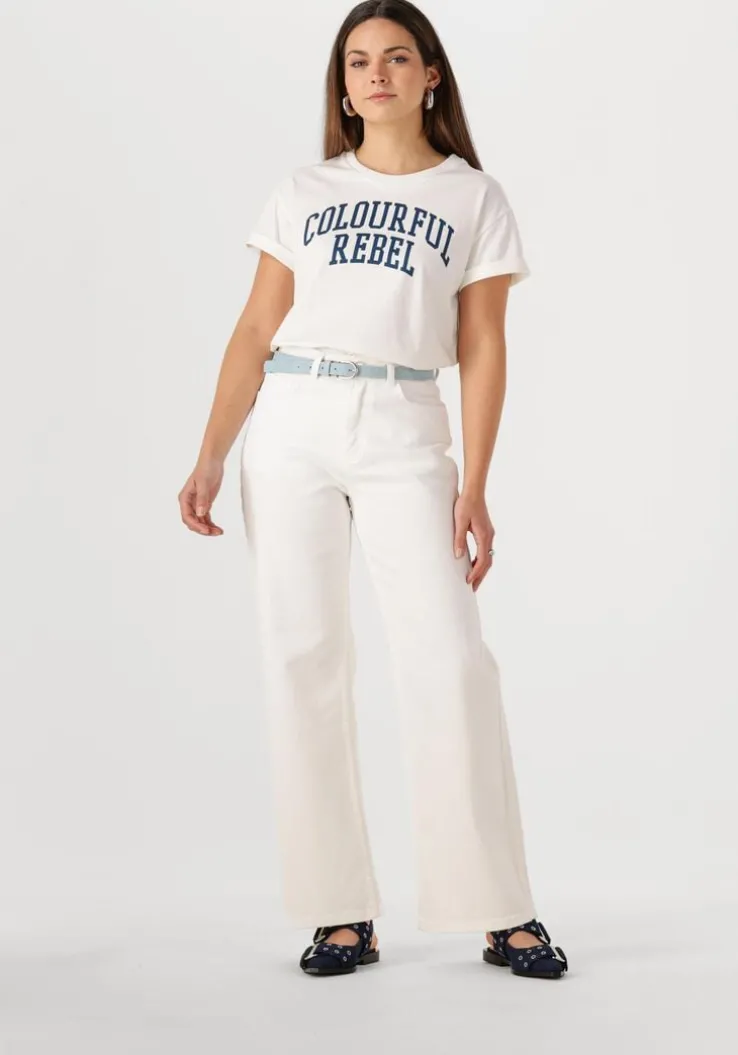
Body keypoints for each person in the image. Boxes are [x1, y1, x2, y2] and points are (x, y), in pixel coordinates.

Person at [178, 0, 568, 980]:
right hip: (292, 422)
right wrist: (213, 451)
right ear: (343, 86)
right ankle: (338, 910)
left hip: (404, 423)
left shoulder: (472, 196)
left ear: (431, 75)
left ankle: (500, 907)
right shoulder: (304, 190)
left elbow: (484, 344)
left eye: (397, 57)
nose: (377, 74)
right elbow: (255, 327)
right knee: (302, 654)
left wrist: (476, 481)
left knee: (450, 658)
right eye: (358, 62)